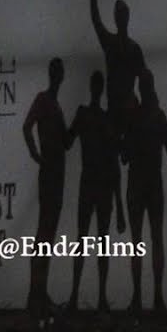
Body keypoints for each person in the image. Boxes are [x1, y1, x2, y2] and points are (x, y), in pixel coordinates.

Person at [125, 70, 167, 311]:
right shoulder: (155, 116)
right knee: (152, 240)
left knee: (140, 241)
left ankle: (142, 297)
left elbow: (126, 154)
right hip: (149, 183)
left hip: (140, 183)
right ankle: (152, 297)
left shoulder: (140, 116)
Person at [68, 70, 126, 312]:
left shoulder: (91, 117)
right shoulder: (99, 119)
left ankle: (81, 296)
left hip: (94, 184)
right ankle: (88, 297)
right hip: (96, 185)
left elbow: (67, 141)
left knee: (90, 241)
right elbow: (114, 162)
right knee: (92, 241)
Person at [23, 57, 69, 313]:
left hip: (57, 172)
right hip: (50, 171)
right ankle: (35, 294)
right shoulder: (43, 100)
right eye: (54, 71)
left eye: (58, 72)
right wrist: (36, 155)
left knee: (48, 235)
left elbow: (66, 140)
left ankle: (40, 293)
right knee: (43, 233)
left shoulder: (56, 105)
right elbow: (26, 127)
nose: (56, 76)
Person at [88, 0, 146, 142]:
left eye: (122, 14)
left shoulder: (129, 48)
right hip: (117, 110)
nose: (121, 17)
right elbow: (95, 16)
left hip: (127, 110)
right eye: (119, 14)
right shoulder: (114, 44)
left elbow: (144, 80)